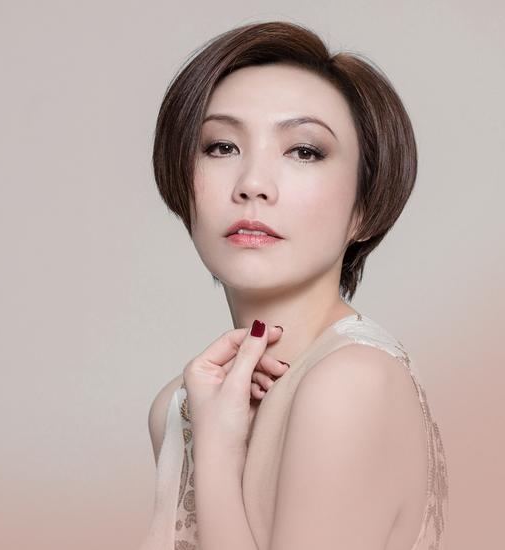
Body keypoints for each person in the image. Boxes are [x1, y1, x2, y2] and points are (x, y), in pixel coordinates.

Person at [142, 20, 449, 550]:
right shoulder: (185, 405)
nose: (252, 185)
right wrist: (210, 436)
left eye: (304, 151)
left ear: (365, 207)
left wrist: (216, 456)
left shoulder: (350, 384)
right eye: (220, 146)